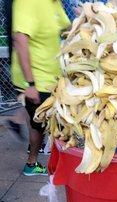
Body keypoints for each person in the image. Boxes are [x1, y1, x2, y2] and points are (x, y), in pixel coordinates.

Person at [11, 0, 70, 176]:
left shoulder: (55, 3)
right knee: (43, 125)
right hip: (36, 79)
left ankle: (33, 161)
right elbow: (20, 40)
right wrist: (30, 84)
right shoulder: (27, 2)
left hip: (51, 78)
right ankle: (33, 163)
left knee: (37, 123)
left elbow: (65, 28)